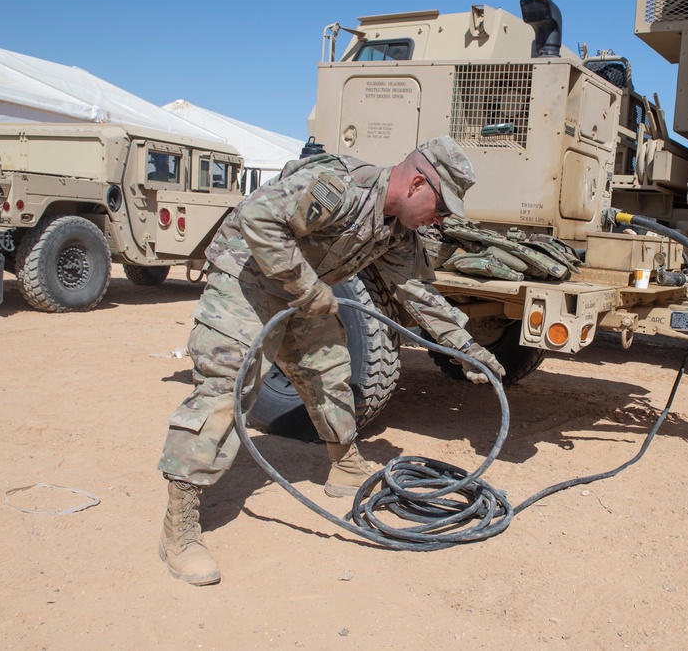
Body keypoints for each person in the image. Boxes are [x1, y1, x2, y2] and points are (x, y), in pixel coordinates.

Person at [157, 136, 505, 586]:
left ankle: (344, 464)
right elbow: (258, 217)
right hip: (247, 281)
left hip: (303, 292)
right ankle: (178, 526)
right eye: (440, 206)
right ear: (417, 182)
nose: (440, 219)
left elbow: (416, 292)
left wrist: (466, 347)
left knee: (331, 373)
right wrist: (307, 288)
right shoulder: (340, 187)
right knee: (228, 389)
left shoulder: (398, 230)